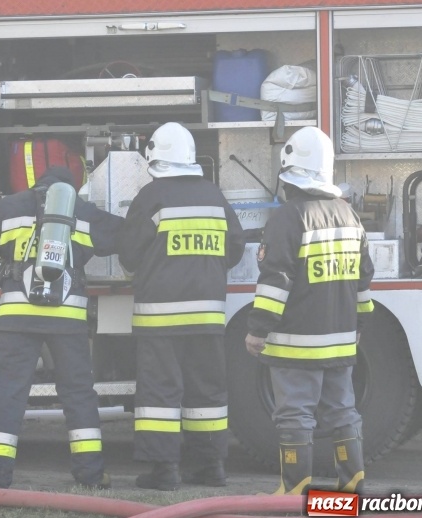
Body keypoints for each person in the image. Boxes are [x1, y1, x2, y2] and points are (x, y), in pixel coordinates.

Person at [244, 126, 375, 495]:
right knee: (343, 412)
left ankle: (295, 489)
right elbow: (363, 280)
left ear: (290, 175)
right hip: (341, 342)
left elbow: (275, 281)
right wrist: (360, 323)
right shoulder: (350, 216)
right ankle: (352, 487)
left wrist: (258, 329)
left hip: (295, 342)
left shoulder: (288, 217)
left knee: (294, 415)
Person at [0, 165, 122, 490]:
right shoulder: (83, 212)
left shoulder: (9, 206)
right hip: (68, 321)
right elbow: (123, 237)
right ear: (70, 189)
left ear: (37, 184)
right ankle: (91, 476)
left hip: (16, 318)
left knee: (9, 395)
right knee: (79, 395)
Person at [117, 122, 246, 491]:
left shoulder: (151, 197)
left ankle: (164, 471)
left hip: (160, 317)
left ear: (155, 158)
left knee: (160, 394)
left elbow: (129, 251)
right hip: (207, 315)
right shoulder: (214, 196)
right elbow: (235, 246)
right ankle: (212, 468)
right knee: (207, 393)